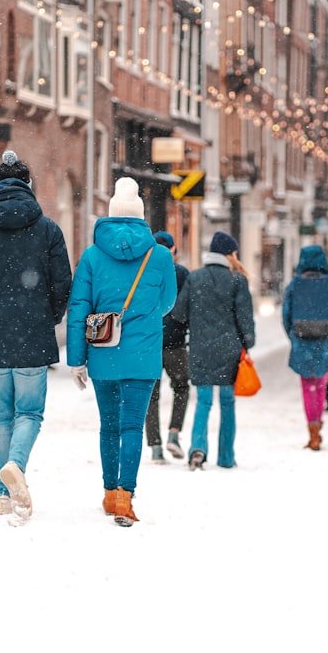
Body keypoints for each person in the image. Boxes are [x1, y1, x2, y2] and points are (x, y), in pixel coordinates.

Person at [0, 150, 72, 518]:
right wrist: (48, 316)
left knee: (1, 416)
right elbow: (62, 281)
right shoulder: (48, 229)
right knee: (30, 414)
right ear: (28, 184)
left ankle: (3, 493)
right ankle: (15, 466)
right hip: (33, 333)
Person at [66, 177, 177, 527]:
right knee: (132, 427)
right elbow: (168, 303)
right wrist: (142, 317)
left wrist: (76, 359)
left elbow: (78, 307)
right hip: (143, 357)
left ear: (111, 215)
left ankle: (109, 492)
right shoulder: (158, 255)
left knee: (109, 427)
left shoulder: (91, 256)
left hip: (103, 354)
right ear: (141, 216)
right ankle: (125, 498)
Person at [169, 230, 255, 471]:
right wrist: (247, 341)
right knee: (227, 402)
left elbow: (179, 313)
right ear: (229, 255)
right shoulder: (237, 280)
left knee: (203, 401)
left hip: (200, 348)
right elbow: (245, 317)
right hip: (229, 349)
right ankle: (226, 456)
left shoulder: (195, 278)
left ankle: (197, 448)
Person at [282, 245, 328, 450]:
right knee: (321, 384)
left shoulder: (295, 284)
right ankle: (317, 426)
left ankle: (312, 428)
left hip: (302, 339)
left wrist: (293, 336)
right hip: (326, 340)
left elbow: (285, 314)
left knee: (307, 386)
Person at [144, 231, 191, 464]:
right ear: (173, 249)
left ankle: (155, 447)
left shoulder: (142, 272)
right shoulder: (181, 274)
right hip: (176, 343)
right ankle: (174, 432)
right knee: (181, 387)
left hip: (149, 343)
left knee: (150, 395)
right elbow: (188, 308)